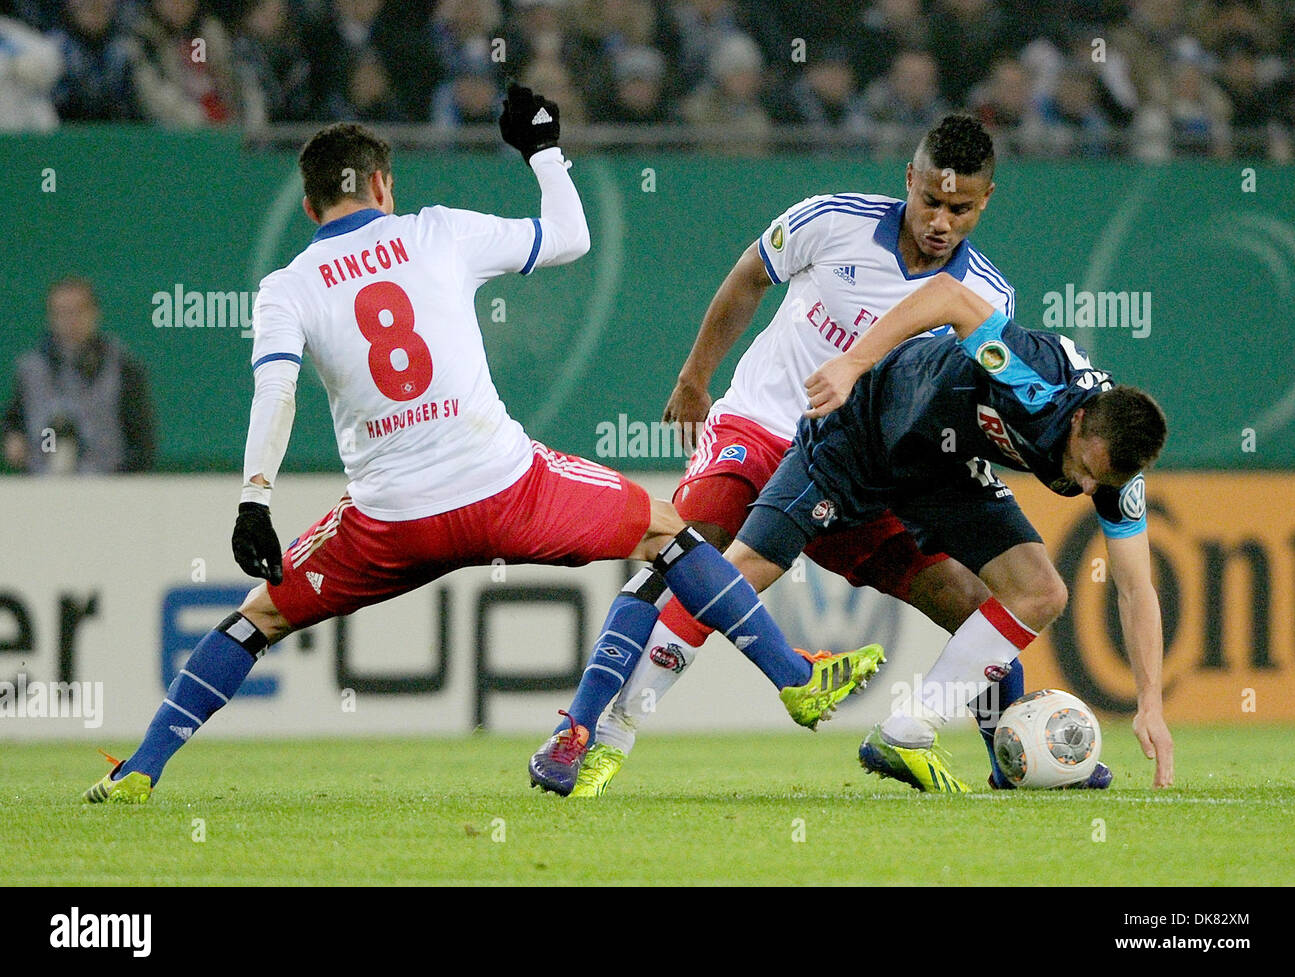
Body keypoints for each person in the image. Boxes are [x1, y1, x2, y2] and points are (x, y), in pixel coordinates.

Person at [83, 85, 875, 804]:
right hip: (506, 489)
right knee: (669, 533)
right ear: (384, 185)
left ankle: (142, 769)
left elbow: (275, 391)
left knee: (254, 620)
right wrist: (543, 150)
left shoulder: (287, 287)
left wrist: (255, 499)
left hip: (388, 523)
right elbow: (569, 238)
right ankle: (793, 676)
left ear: (309, 202)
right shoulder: (437, 233)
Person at [530, 115, 1114, 798]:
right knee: (687, 556)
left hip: (862, 466)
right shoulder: (832, 219)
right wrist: (694, 376)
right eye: (930, 200)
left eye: (959, 209)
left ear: (986, 202)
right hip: (761, 425)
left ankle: (1011, 755)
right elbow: (749, 275)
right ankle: (584, 731)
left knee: (970, 599)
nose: (939, 221)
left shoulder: (990, 298)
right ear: (909, 181)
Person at [788, 272, 1174, 789]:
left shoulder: (1115, 477)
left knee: (1038, 592)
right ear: (1079, 422)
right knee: (1033, 587)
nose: (1084, 487)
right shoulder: (1035, 379)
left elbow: (1135, 588)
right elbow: (947, 294)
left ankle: (915, 729)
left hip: (948, 459)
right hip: (897, 412)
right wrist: (854, 363)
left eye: (1099, 482)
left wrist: (1150, 704)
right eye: (1083, 467)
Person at [4, 277, 155, 474]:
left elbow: (142, 439)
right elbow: (13, 422)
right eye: (62, 313)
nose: (70, 321)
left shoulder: (123, 367)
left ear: (94, 313)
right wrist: (13, 439)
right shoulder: (30, 370)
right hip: (42, 487)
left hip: (108, 486)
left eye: (78, 311)